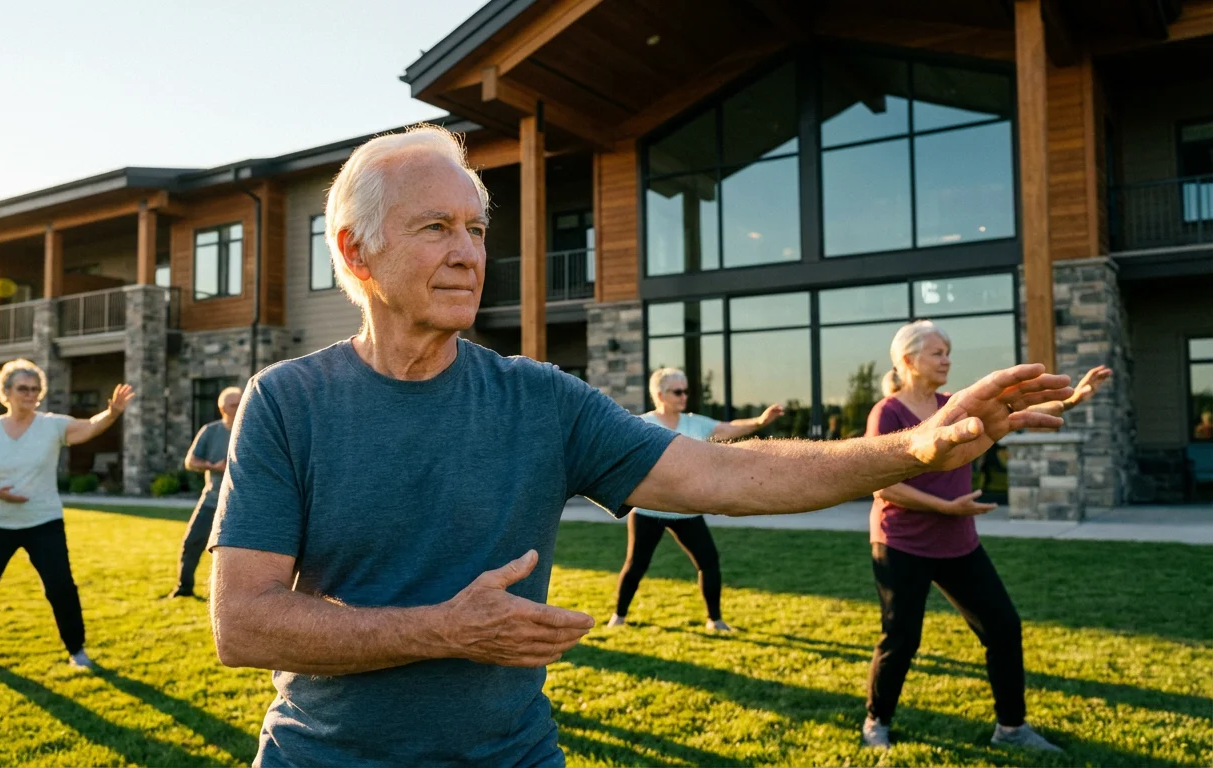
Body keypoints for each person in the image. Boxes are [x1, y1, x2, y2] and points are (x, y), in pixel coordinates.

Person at [206, 124, 1072, 766]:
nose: (470, 252)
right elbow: (242, 623)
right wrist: (444, 630)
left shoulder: (538, 399)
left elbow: (723, 472)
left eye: (476, 228)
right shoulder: (290, 403)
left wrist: (917, 450)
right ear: (358, 253)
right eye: (437, 227)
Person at [860, 322, 1110, 753]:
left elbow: (1013, 416)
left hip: (959, 543)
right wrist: (945, 508)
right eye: (937, 352)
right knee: (901, 639)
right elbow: (884, 487)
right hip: (902, 543)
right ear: (908, 361)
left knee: (1003, 628)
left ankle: (1011, 729)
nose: (947, 360)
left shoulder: (953, 406)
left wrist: (1074, 399)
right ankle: (876, 722)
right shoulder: (888, 414)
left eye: (947, 352)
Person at [0, 358, 133, 670]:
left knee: (61, 589)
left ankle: (78, 653)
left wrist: (112, 413)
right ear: (5, 392)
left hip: (43, 522)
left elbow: (88, 428)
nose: (30, 394)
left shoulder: (52, 425)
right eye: (23, 388)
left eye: (35, 389)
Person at [607, 367, 783, 632]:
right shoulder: (643, 425)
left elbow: (726, 429)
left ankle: (715, 620)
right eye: (677, 391)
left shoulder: (694, 423)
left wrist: (759, 422)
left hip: (686, 510)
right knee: (636, 565)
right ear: (660, 394)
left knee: (709, 561)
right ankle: (618, 617)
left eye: (686, 391)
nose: (683, 396)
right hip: (648, 511)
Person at [168, 385, 242, 598]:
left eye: (240, 403)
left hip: (243, 504)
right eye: (233, 404)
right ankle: (184, 588)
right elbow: (190, 461)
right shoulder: (211, 431)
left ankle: (236, 597)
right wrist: (212, 466)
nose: (238, 407)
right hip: (212, 500)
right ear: (222, 409)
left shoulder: (252, 429)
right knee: (191, 543)